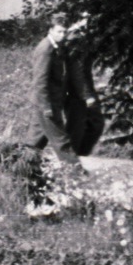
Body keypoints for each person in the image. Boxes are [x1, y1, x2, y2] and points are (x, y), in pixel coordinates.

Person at [31, 12, 99, 167]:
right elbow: (40, 81)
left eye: (64, 32)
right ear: (50, 30)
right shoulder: (45, 50)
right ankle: (76, 175)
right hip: (46, 103)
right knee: (61, 142)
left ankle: (17, 170)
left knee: (34, 143)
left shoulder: (60, 47)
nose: (62, 35)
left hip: (51, 101)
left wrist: (86, 95)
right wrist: (46, 107)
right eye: (59, 32)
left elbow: (74, 74)